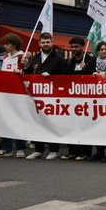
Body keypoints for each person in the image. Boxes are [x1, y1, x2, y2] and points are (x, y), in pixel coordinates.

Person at [24, 32, 65, 160]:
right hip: (37, 97)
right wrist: (24, 66)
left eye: (48, 42)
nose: (46, 44)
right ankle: (39, 149)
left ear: (52, 42)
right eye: (43, 42)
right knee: (37, 122)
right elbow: (30, 73)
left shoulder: (59, 58)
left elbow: (65, 78)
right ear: (39, 43)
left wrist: (52, 77)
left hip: (53, 97)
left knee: (52, 124)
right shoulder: (35, 58)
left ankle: (54, 150)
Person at [0, 34, 28, 158]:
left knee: (18, 121)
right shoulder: (5, 58)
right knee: (6, 121)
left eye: (7, 44)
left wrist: (22, 70)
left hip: (18, 95)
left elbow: (26, 74)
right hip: (7, 94)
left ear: (14, 44)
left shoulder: (21, 57)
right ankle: (6, 147)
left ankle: (21, 147)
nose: (4, 46)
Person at [62, 37, 95, 161]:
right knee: (72, 125)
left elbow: (94, 76)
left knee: (85, 125)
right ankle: (72, 151)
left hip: (86, 99)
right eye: (72, 47)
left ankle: (86, 152)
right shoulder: (69, 62)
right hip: (72, 98)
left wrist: (85, 68)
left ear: (83, 47)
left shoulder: (90, 60)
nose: (74, 49)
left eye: (76, 46)